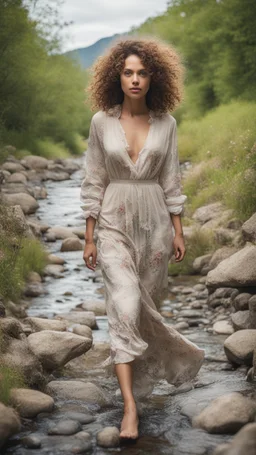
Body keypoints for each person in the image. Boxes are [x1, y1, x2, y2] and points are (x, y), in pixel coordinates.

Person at [80, 36, 205, 442]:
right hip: (114, 218)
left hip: (154, 224)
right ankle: (130, 407)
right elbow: (94, 179)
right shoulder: (101, 121)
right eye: (128, 72)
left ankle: (141, 380)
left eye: (142, 73)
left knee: (144, 308)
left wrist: (179, 229)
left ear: (155, 78)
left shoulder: (167, 123)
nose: (135, 79)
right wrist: (89, 236)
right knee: (125, 304)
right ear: (117, 77)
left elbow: (171, 179)